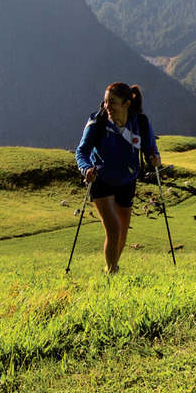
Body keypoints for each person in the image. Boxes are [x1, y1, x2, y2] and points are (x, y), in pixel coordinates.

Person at [75, 82, 161, 274]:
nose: (107, 106)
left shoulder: (141, 123)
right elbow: (81, 152)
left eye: (112, 102)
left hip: (127, 181)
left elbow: (151, 150)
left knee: (122, 232)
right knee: (113, 229)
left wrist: (155, 159)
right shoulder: (97, 123)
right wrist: (86, 169)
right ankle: (112, 273)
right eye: (105, 101)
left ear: (126, 103)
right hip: (101, 179)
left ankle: (112, 266)